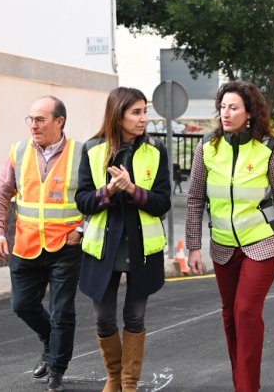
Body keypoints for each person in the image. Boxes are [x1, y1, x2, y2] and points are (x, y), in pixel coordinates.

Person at [185, 80, 274, 392]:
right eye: (222, 107)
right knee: (230, 314)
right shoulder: (207, 148)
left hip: (263, 243)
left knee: (246, 310)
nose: (226, 112)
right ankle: (243, 380)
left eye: (233, 107)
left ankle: (246, 387)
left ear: (249, 112)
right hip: (222, 246)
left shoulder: (268, 149)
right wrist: (193, 247)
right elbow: (195, 199)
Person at [75, 87, 172, 392]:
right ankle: (114, 377)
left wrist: (131, 189)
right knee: (103, 319)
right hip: (104, 247)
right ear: (118, 115)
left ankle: (129, 383)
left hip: (142, 247)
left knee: (134, 315)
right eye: (137, 112)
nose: (144, 118)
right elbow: (83, 201)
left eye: (145, 111)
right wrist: (109, 192)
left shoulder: (156, 150)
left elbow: (162, 203)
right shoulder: (92, 149)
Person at [0, 96, 84, 392]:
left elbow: (99, 199)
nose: (33, 126)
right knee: (23, 305)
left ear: (60, 122)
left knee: (62, 310)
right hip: (26, 246)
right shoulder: (18, 152)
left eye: (40, 120)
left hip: (66, 247)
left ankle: (57, 369)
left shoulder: (82, 154)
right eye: (30, 119)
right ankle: (48, 341)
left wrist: (82, 228)